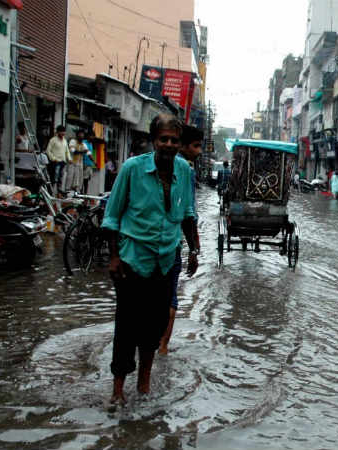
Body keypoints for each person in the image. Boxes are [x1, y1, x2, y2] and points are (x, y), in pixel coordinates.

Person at [101, 114, 198, 405]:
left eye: (174, 140)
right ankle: (118, 390)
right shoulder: (132, 169)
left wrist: (193, 249)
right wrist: (114, 256)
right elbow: (112, 215)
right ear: (154, 141)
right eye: (163, 139)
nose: (168, 144)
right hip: (133, 260)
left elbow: (188, 214)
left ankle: (144, 382)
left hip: (166, 261)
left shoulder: (184, 170)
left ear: (180, 144)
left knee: (155, 327)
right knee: (127, 326)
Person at [159, 127, 203, 355]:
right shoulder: (185, 170)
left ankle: (158, 345)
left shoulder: (182, 169)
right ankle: (163, 347)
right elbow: (189, 213)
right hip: (167, 244)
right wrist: (194, 249)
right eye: (195, 145)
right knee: (168, 297)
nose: (198, 151)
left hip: (165, 244)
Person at [45, 125, 70, 194]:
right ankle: (50, 193)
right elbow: (48, 151)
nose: (63, 133)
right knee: (54, 178)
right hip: (55, 162)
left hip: (63, 162)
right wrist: (53, 158)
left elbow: (67, 151)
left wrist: (69, 159)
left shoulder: (65, 140)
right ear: (58, 132)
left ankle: (59, 193)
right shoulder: (53, 140)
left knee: (60, 178)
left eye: (64, 132)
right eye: (61, 131)